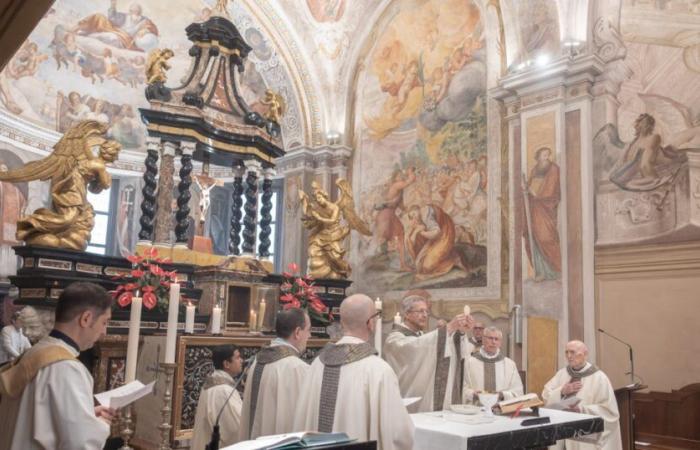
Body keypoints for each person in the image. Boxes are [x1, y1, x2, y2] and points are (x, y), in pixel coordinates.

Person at [0, 282, 116, 449]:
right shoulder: (66, 368)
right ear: (86, 319)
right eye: (105, 322)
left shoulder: (35, 352)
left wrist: (87, 416)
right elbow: (81, 443)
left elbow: (36, 419)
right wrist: (100, 425)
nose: (104, 331)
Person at [294, 294, 414, 450]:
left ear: (342, 322)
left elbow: (302, 417)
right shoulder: (378, 370)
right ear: (370, 323)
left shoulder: (317, 363)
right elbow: (398, 434)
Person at [384, 292, 473, 412]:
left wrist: (460, 332)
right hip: (406, 404)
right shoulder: (394, 339)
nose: (425, 315)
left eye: (426, 312)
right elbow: (414, 348)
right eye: (420, 311)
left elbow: (443, 350)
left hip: (425, 403)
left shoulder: (422, 336)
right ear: (407, 314)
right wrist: (450, 327)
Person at [240, 308, 311, 440]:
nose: (309, 336)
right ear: (297, 332)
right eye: (308, 330)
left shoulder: (257, 361)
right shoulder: (297, 368)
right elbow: (301, 420)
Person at [542, 340, 622, 450]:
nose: (569, 356)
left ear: (584, 354)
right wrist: (561, 391)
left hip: (585, 437)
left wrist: (582, 409)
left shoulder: (599, 378)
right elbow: (546, 395)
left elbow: (610, 412)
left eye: (572, 352)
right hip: (562, 433)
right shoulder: (562, 374)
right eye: (566, 352)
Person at [191, 345, 243, 450]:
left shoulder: (214, 381)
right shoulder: (223, 390)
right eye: (237, 357)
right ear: (226, 364)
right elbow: (235, 429)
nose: (242, 360)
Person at [523, 146, 561, 281]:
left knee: (546, 237)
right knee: (533, 238)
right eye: (544, 155)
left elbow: (552, 188)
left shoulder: (554, 169)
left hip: (546, 208)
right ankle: (541, 272)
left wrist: (538, 194)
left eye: (548, 155)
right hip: (534, 207)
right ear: (538, 157)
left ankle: (557, 271)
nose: (546, 158)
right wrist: (526, 189)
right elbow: (529, 186)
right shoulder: (534, 170)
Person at [462, 327, 523, 403]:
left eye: (496, 339)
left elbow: (517, 390)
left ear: (500, 343)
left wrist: (503, 394)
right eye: (490, 338)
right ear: (483, 340)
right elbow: (462, 387)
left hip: (501, 410)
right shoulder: (469, 362)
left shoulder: (510, 364)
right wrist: (472, 394)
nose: (493, 342)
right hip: (475, 410)